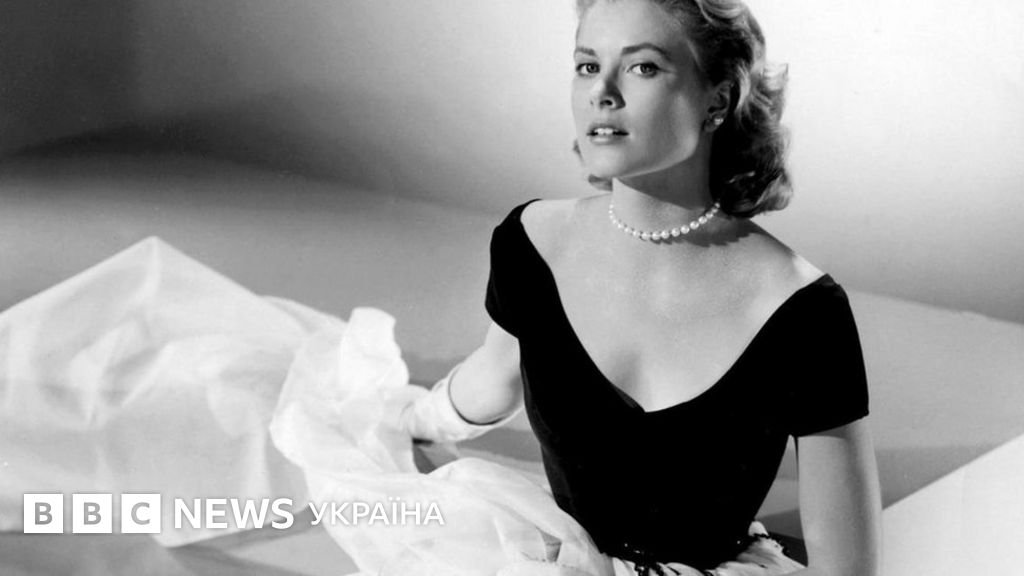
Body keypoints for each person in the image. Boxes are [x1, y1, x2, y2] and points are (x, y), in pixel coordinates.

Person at [401, 0, 882, 574]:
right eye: (587, 66)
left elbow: (847, 566)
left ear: (718, 99)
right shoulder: (532, 244)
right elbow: (496, 374)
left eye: (643, 67)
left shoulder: (804, 312)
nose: (601, 92)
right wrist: (401, 421)